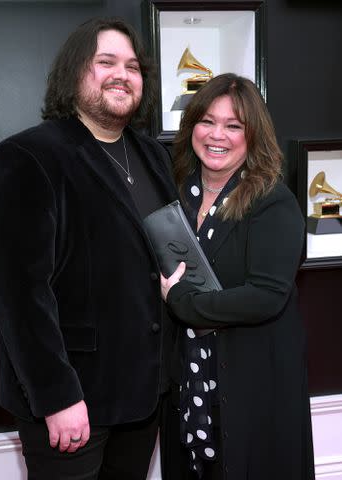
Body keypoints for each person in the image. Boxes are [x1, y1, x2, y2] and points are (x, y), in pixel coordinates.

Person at [0, 17, 178, 480]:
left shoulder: (153, 155)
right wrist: (57, 396)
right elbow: (19, 295)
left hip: (144, 395)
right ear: (75, 73)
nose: (122, 74)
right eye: (105, 62)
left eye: (132, 66)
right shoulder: (28, 156)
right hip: (73, 402)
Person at [160, 73, 315, 479]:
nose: (217, 135)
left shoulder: (272, 200)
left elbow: (265, 296)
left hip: (254, 392)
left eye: (233, 126)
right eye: (207, 121)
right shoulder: (179, 193)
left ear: (253, 136)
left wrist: (181, 301)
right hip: (189, 387)